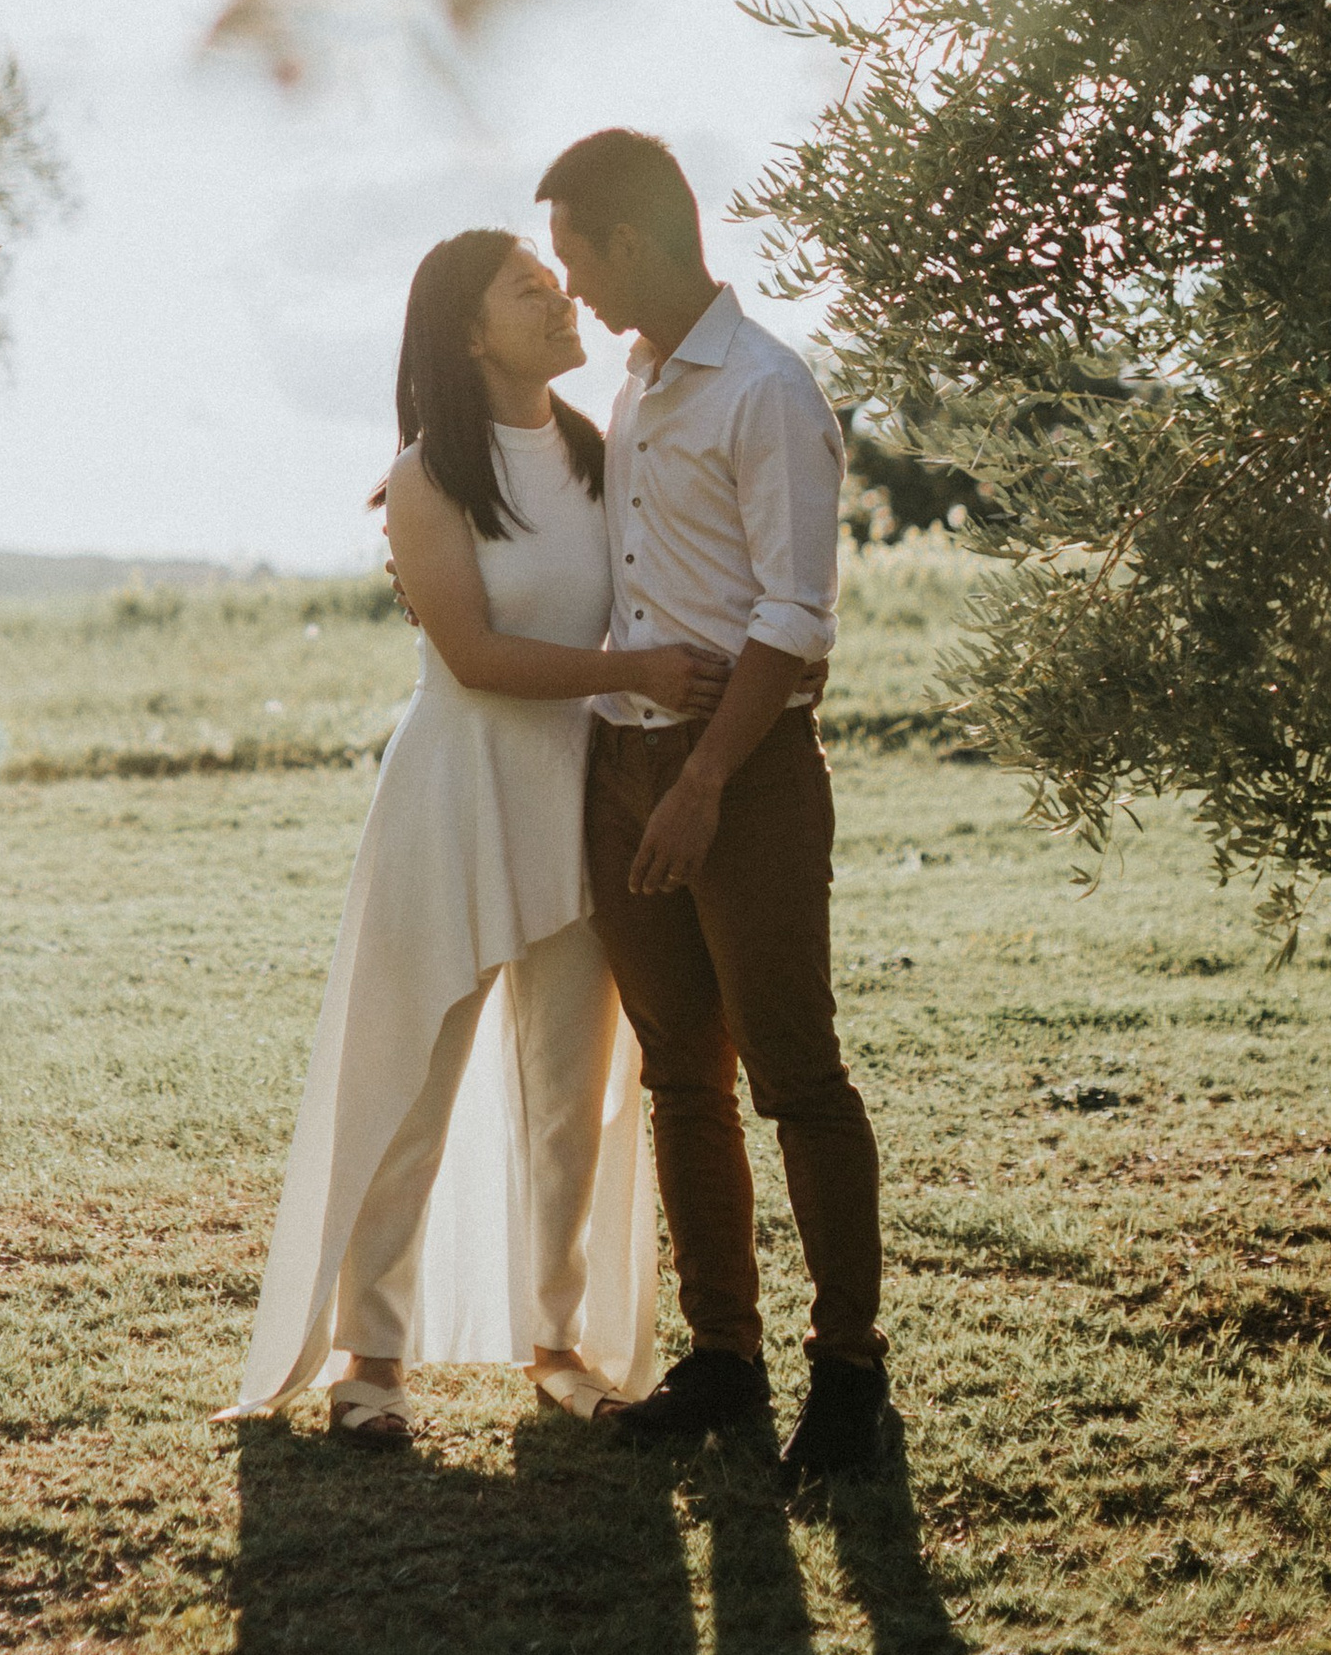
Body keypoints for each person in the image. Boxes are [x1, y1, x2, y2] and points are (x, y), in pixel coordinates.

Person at [224, 227, 730, 1444]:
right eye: (530, 290)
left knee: (575, 1091)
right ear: (468, 330)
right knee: (411, 1077)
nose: (563, 305)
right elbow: (473, 654)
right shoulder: (429, 475)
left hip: (583, 798)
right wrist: (637, 666)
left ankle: (557, 1340)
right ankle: (371, 1359)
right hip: (451, 797)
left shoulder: (608, 458)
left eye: (562, 288)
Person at [536, 126, 893, 1491]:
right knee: (682, 1073)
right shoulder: (634, 383)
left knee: (797, 1074)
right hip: (622, 766)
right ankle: (725, 1364)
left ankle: (850, 1377)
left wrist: (699, 780)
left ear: (634, 242)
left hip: (738, 778)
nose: (570, 288)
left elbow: (795, 622)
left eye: (575, 258)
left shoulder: (766, 392)